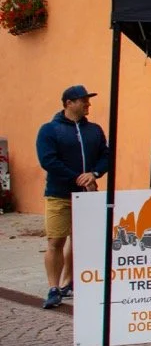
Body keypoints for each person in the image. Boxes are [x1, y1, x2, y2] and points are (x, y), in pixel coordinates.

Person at [36, 85, 110, 309]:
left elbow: (106, 155)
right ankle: (53, 287)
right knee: (56, 240)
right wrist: (77, 177)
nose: (88, 104)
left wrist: (94, 174)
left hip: (87, 195)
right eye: (83, 100)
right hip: (59, 194)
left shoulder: (94, 130)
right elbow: (48, 161)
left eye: (87, 100)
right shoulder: (50, 130)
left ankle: (70, 282)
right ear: (69, 103)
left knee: (81, 241)